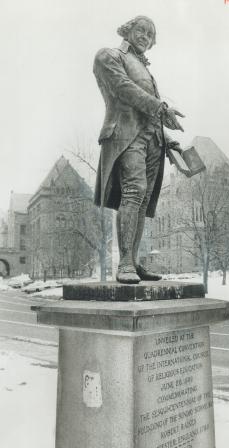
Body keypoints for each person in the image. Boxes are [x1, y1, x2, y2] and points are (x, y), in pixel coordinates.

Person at [93, 15, 185, 284]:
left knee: (143, 201)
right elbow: (124, 89)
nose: (145, 36)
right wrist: (161, 108)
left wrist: (168, 139)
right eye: (140, 30)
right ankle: (124, 264)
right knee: (134, 192)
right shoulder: (108, 55)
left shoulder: (146, 69)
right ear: (128, 30)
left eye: (150, 34)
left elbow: (149, 113)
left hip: (153, 138)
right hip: (126, 135)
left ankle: (133, 261)